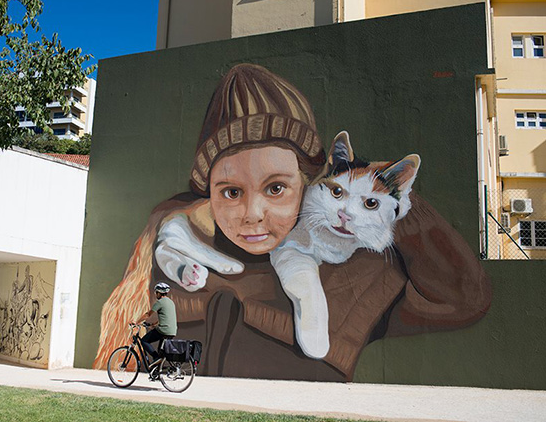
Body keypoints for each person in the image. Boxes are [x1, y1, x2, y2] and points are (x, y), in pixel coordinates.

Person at [94, 64, 491, 381]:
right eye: (231, 192)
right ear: (208, 194)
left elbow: (463, 299)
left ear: (309, 184)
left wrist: (391, 200)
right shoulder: (175, 254)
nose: (252, 215)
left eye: (276, 188)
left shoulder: (360, 275)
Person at [133, 282, 177, 366]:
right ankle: (156, 371)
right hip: (172, 331)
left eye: (156, 292)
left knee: (144, 341)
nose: (155, 294)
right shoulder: (171, 302)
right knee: (161, 353)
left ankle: (155, 358)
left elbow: (148, 314)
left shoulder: (160, 302)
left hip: (163, 330)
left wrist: (136, 322)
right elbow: (166, 316)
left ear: (159, 293)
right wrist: (154, 324)